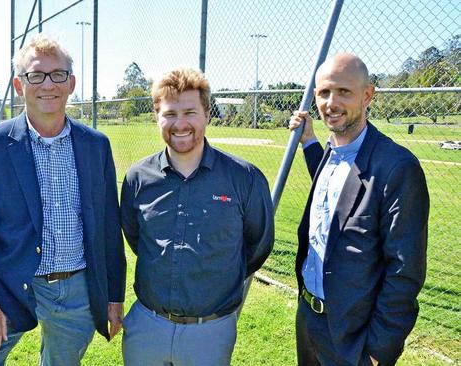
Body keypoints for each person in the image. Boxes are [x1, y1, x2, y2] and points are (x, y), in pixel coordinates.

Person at [0, 35, 126, 365]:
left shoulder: (95, 145)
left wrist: (113, 295)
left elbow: (108, 228)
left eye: (58, 75)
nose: (48, 85)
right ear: (18, 84)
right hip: (8, 287)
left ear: (71, 83)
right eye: (36, 75)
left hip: (75, 290)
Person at [120, 67, 274, 366]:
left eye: (190, 112)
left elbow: (258, 245)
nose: (180, 124)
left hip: (211, 330)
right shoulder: (138, 177)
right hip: (147, 325)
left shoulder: (244, 178)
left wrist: (217, 277)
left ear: (207, 114)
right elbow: (136, 238)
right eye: (169, 113)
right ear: (157, 116)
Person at [289, 53, 429, 366]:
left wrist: (379, 351)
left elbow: (404, 273)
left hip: (354, 339)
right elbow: (341, 198)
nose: (331, 102)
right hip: (309, 321)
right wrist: (310, 141)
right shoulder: (331, 152)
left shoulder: (397, 168)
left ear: (368, 96)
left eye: (344, 92)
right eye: (324, 92)